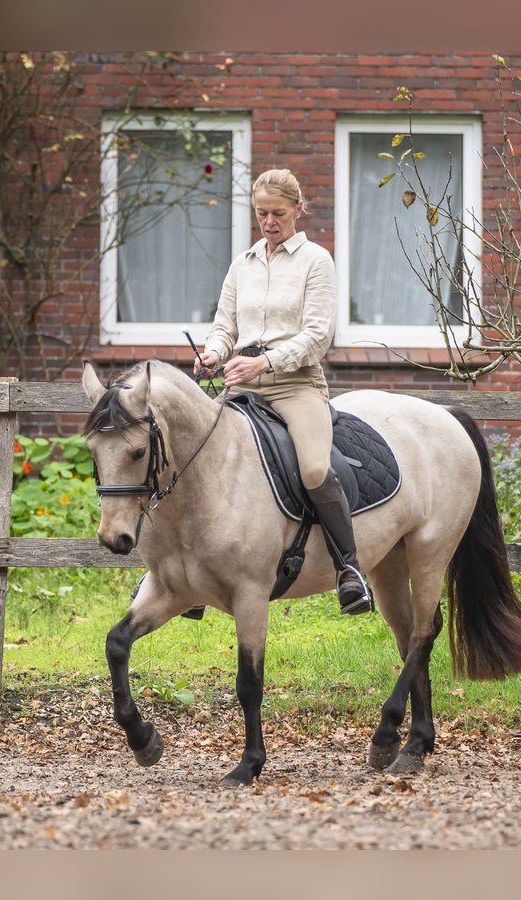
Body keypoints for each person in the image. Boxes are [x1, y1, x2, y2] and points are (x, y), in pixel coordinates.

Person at [194, 168, 372, 615]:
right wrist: (214, 354)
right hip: (242, 383)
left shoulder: (317, 260)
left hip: (296, 384)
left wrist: (266, 360)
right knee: (191, 455)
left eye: (277, 213)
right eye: (261, 214)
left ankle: (349, 570)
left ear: (298, 210)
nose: (268, 222)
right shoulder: (243, 263)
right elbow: (224, 326)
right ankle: (183, 576)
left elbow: (317, 336)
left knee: (314, 469)